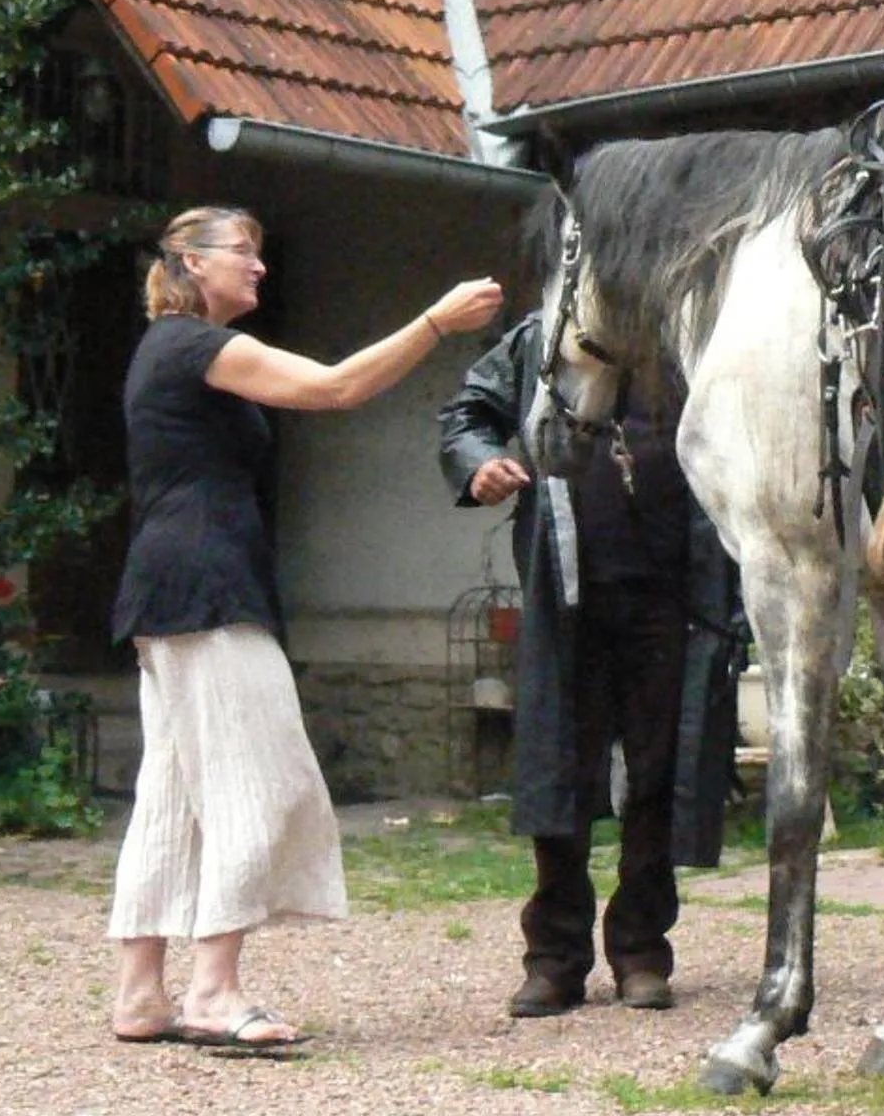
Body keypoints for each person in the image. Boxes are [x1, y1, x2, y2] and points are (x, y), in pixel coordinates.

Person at [109, 204, 504, 1054]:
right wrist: (436, 322)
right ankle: (213, 992)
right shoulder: (191, 344)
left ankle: (143, 995)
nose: (258, 266)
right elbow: (336, 388)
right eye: (243, 252)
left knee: (174, 798)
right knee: (264, 779)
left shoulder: (172, 352)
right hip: (207, 590)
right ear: (188, 262)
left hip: (172, 588)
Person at [437, 313, 743, 1017]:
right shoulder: (544, 336)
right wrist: (478, 460)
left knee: (659, 773)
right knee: (558, 769)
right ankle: (555, 957)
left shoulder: (694, 331)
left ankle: (640, 950)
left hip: (676, 591)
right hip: (567, 589)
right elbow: (467, 412)